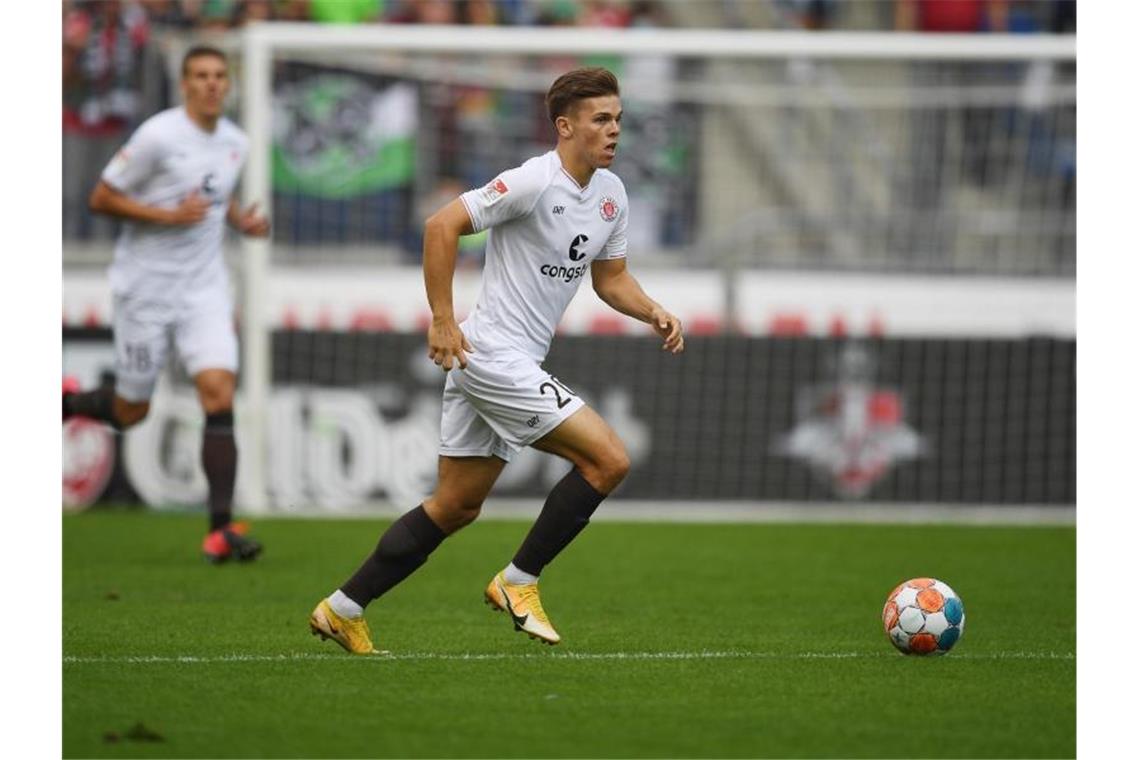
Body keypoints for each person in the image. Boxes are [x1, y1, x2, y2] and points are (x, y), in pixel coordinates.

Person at [310, 67, 684, 654]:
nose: (614, 131)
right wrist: (441, 318)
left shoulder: (612, 195)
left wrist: (653, 310)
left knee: (455, 506)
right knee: (609, 461)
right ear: (565, 126)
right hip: (492, 357)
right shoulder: (533, 181)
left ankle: (343, 608)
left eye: (618, 120)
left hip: (502, 360)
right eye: (601, 120)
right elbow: (442, 225)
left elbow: (610, 280)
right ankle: (518, 582)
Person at [63, 45, 270, 563]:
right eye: (200, 75)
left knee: (219, 393)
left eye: (220, 76)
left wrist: (239, 220)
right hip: (146, 290)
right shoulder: (158, 135)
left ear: (229, 84)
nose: (211, 84)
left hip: (204, 289)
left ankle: (220, 530)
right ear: (184, 84)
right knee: (131, 411)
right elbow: (101, 197)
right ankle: (66, 403)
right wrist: (166, 217)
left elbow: (211, 198)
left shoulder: (234, 142)